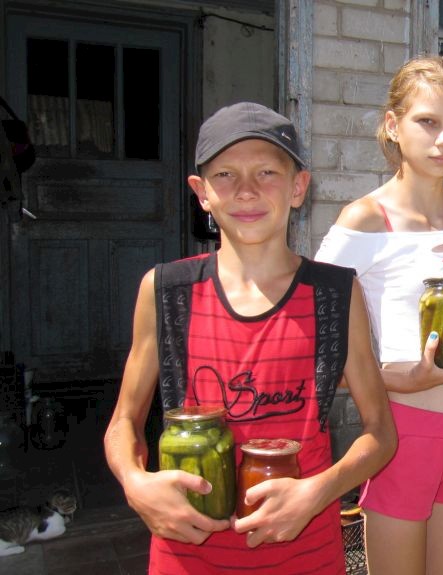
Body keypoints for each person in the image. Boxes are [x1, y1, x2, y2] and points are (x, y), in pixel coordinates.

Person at [104, 101, 397, 575]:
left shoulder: (336, 295)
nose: (246, 190)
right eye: (225, 175)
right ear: (201, 192)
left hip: (306, 555)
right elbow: (123, 423)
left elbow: (381, 434)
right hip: (187, 555)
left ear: (298, 187)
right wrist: (135, 484)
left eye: (267, 173)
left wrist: (318, 490)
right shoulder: (166, 292)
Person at [314, 55, 443, 575]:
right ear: (393, 125)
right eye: (427, 122)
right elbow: (316, 346)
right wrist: (400, 379)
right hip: (403, 433)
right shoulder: (365, 219)